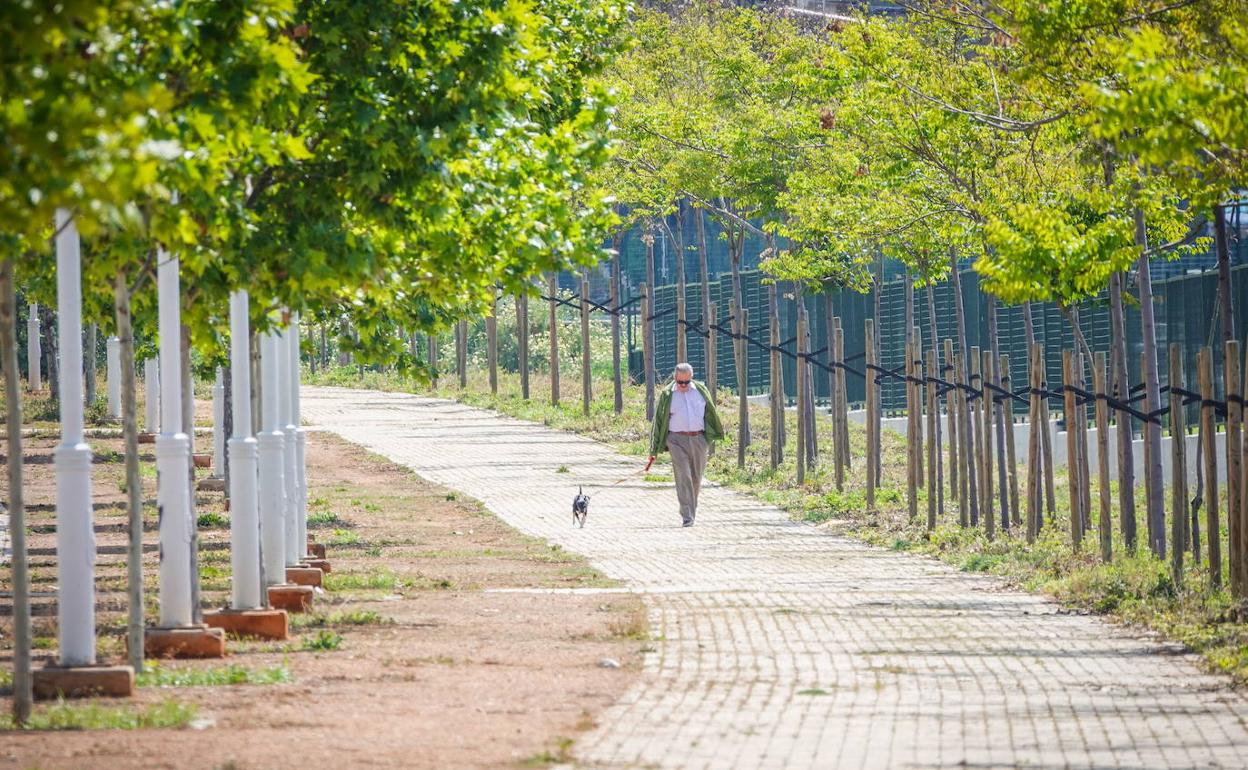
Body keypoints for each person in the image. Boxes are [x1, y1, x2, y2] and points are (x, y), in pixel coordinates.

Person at [646, 362, 724, 527]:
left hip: (699, 440)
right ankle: (687, 516)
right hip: (676, 440)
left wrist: (709, 437)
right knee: (684, 476)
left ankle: (690, 509)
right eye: (680, 382)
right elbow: (658, 423)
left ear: (691, 379)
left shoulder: (701, 391)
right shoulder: (668, 394)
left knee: (696, 478)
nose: (682, 385)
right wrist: (653, 450)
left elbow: (711, 414)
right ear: (675, 378)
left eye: (686, 382)